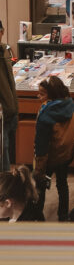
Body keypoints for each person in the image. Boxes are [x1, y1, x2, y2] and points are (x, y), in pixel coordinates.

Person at [33, 75, 74, 221]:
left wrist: (39, 169)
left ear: (51, 95)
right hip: (65, 155)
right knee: (62, 183)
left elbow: (41, 145)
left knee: (39, 186)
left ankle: (38, 217)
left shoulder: (46, 115)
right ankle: (63, 215)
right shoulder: (73, 107)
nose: (38, 96)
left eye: (42, 93)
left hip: (49, 158)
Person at [0, 19, 18, 171]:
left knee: (4, 147)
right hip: (2, 110)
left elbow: (9, 81)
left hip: (8, 110)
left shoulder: (4, 51)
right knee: (3, 148)